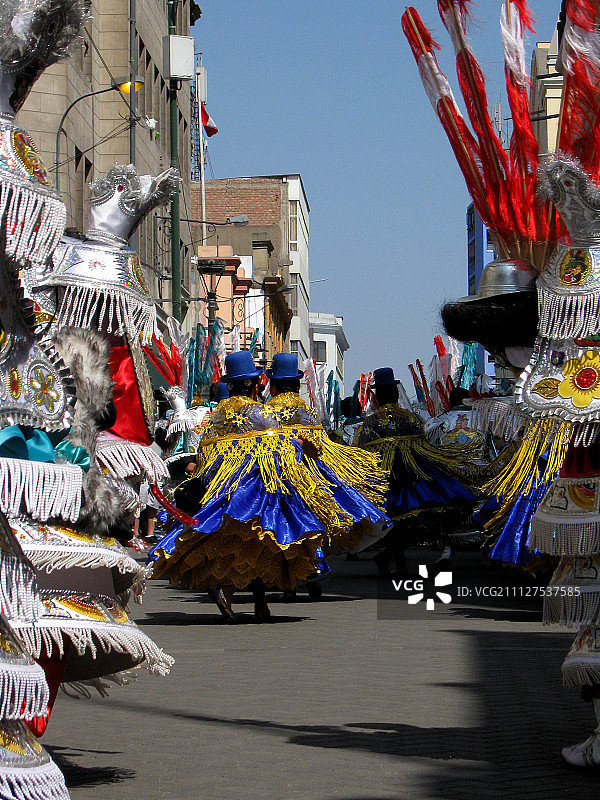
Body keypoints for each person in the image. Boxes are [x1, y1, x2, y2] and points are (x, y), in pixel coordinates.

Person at [149, 350, 346, 622]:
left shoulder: (217, 416)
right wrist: (300, 446)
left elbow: (205, 453)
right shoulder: (260, 412)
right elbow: (277, 445)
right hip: (256, 487)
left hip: (223, 486)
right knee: (263, 542)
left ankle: (237, 596)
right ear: (254, 386)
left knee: (237, 546)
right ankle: (261, 600)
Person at [265, 352, 391, 598]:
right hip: (313, 476)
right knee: (311, 523)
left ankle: (290, 584)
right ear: (296, 384)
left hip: (279, 476)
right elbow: (323, 446)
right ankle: (312, 575)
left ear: (275, 385)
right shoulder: (307, 411)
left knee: (285, 526)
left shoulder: (267, 411)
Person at [357, 367, 477, 577]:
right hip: (413, 477)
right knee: (408, 521)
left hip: (384, 478)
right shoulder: (411, 418)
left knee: (394, 521)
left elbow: (363, 453)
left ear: (377, 397)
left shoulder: (370, 423)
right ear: (395, 394)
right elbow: (425, 448)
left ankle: (390, 558)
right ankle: (392, 560)